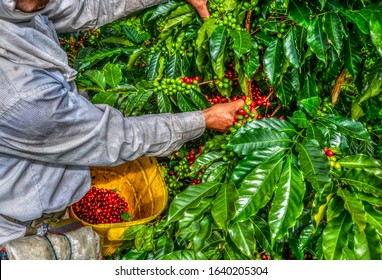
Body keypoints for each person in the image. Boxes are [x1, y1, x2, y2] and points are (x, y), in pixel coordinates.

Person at [0, 0, 245, 246]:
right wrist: (202, 120)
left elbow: (89, 7)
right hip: (23, 231)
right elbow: (116, 137)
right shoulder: (21, 98)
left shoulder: (14, 7)